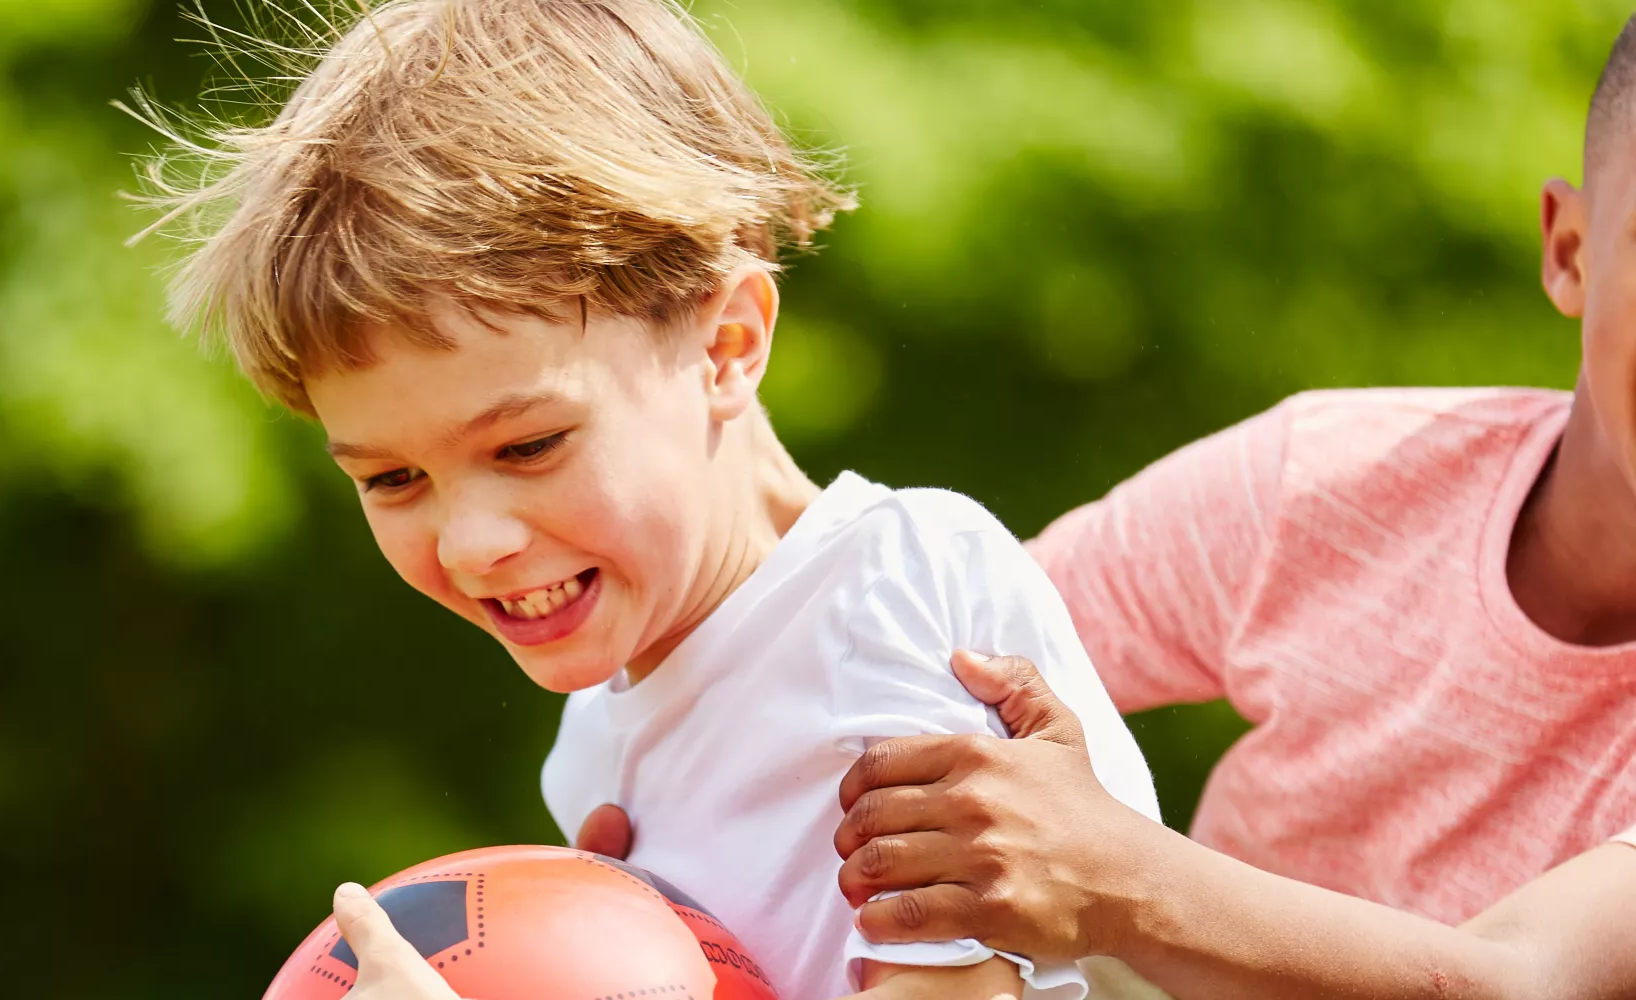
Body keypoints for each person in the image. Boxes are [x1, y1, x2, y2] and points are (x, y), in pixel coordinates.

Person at [140, 1, 1158, 996]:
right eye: (391, 478)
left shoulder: (890, 587)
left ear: (726, 345)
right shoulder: (593, 746)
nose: (472, 542)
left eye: (530, 443)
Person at [829, 15, 1636, 999]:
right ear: (1568, 251)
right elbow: (916, 657)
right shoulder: (1338, 479)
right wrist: (653, 861)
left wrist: (1110, 874)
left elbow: (1516, 982)